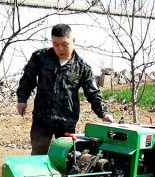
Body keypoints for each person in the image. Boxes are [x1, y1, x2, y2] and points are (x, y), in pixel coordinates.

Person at [16, 23, 113, 155]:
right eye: (56, 44)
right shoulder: (40, 58)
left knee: (66, 157)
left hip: (66, 120)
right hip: (42, 118)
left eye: (65, 44)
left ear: (73, 41)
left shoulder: (82, 67)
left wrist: (104, 113)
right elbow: (28, 79)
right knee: (38, 154)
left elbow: (93, 93)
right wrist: (22, 99)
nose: (60, 48)